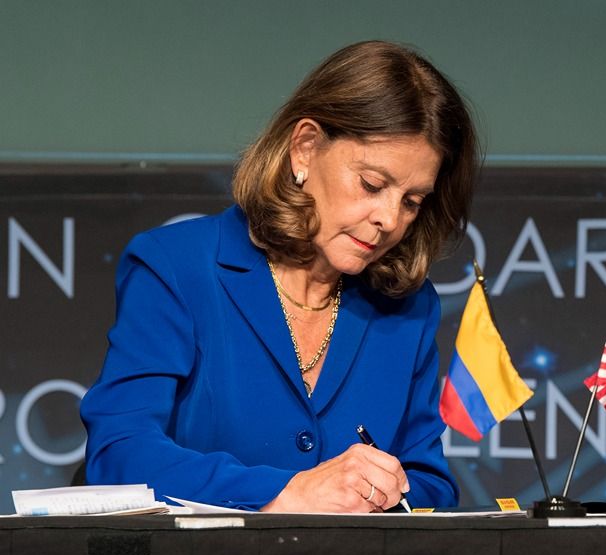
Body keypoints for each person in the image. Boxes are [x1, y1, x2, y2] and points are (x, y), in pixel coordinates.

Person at [80, 41, 478, 512]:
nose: (390, 219)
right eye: (372, 184)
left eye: (412, 201)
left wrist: (382, 490)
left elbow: (429, 484)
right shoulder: (175, 267)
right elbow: (119, 455)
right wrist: (287, 492)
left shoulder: (410, 307)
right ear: (305, 149)